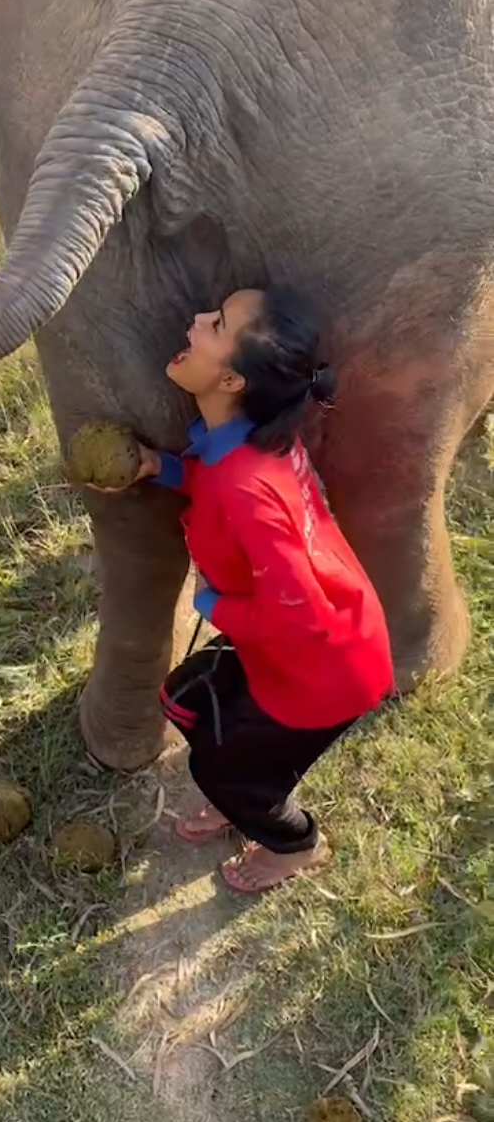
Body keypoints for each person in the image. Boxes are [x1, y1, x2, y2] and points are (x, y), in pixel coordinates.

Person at [108, 286, 395, 895]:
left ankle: (293, 843)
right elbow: (219, 482)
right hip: (321, 640)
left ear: (233, 380)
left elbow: (301, 611)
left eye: (213, 325)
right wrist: (162, 468)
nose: (194, 320)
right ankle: (245, 797)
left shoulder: (247, 485)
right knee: (190, 699)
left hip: (325, 666)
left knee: (224, 768)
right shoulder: (250, 442)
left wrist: (215, 605)